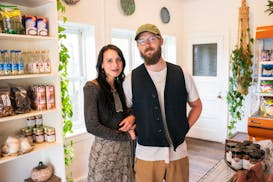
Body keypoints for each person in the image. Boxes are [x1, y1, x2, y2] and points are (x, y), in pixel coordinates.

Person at [123, 24, 202, 182]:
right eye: (142, 41)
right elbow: (127, 110)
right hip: (146, 156)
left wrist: (184, 127)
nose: (147, 44)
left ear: (161, 41)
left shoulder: (182, 74)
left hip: (178, 153)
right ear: (138, 46)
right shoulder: (131, 79)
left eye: (152, 39)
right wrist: (131, 122)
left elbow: (197, 106)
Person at [84, 44, 136, 182]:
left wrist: (131, 116)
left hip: (125, 152)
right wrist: (125, 136)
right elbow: (92, 126)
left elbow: (129, 109)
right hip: (105, 153)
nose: (115, 64)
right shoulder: (92, 88)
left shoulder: (121, 85)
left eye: (118, 60)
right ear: (101, 65)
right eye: (109, 60)